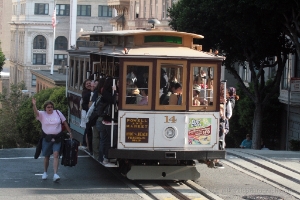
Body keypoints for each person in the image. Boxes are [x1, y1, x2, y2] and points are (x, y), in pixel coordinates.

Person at [32, 98, 72, 182]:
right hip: (47, 138)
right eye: (48, 107)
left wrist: (70, 132)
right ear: (45, 108)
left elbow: (64, 122)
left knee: (56, 154)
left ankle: (55, 174)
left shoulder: (58, 113)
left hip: (57, 138)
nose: (50, 108)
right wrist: (34, 105)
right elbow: (36, 112)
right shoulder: (42, 114)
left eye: (51, 107)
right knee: (46, 156)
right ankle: (45, 172)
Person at [98, 77, 118, 164]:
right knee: (110, 140)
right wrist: (115, 92)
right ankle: (105, 156)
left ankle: (103, 157)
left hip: (107, 119)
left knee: (105, 140)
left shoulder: (105, 92)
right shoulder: (106, 92)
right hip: (108, 120)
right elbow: (113, 101)